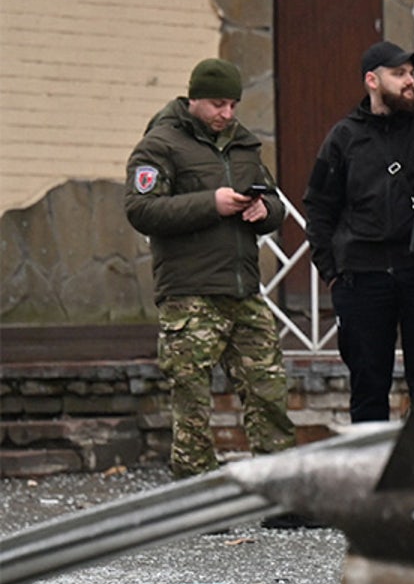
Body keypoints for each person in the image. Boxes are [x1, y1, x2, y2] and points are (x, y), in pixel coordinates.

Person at [124, 58, 300, 483]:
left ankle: (283, 492)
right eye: (218, 104)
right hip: (189, 294)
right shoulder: (159, 145)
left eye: (233, 105)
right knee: (192, 402)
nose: (227, 114)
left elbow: (276, 203)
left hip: (243, 290)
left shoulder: (244, 145)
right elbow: (140, 209)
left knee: (269, 391)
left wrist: (264, 209)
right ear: (194, 100)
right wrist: (211, 203)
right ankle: (197, 494)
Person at [304, 41, 414, 421]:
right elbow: (319, 206)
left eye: (411, 73)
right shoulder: (344, 138)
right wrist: (333, 273)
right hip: (362, 277)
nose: (410, 81)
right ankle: (370, 472)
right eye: (399, 73)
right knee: (368, 386)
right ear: (372, 80)